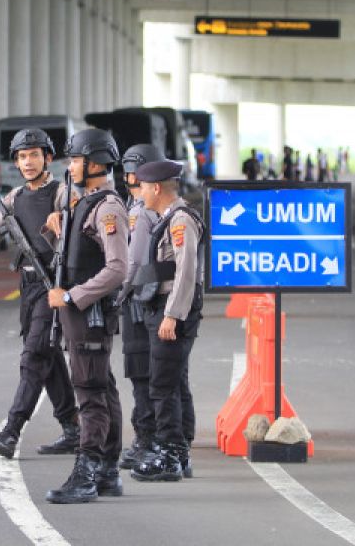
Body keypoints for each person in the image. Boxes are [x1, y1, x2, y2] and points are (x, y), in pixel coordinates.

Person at [0, 128, 80, 460]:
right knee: (47, 358)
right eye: (22, 156)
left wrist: (61, 221)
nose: (28, 162)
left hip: (55, 283)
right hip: (29, 285)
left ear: (48, 158)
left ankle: (11, 430)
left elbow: (79, 225)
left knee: (34, 356)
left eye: (34, 155)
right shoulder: (13, 199)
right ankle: (72, 428)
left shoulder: (63, 193)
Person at [44, 128, 129, 504]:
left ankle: (88, 471)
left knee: (90, 392)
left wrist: (71, 296)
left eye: (75, 160)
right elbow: (75, 257)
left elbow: (117, 269)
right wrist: (53, 232)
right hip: (81, 313)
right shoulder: (84, 203)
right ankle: (107, 470)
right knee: (102, 386)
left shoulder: (107, 207)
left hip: (89, 312)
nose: (70, 166)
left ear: (94, 163)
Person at [130, 160, 204, 482]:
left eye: (143, 186)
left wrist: (172, 315)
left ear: (156, 188)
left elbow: (186, 271)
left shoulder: (180, 220)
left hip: (172, 309)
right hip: (165, 307)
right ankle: (180, 451)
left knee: (162, 384)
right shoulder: (168, 218)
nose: (140, 192)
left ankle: (170, 453)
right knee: (174, 380)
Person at [115, 143, 165, 472]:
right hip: (149, 299)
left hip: (139, 299)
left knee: (142, 371)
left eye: (132, 170)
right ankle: (163, 438)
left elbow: (134, 262)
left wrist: (116, 293)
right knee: (153, 372)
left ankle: (149, 437)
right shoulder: (148, 207)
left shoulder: (140, 212)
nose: (127, 177)